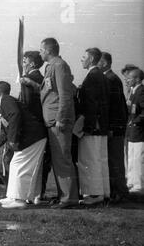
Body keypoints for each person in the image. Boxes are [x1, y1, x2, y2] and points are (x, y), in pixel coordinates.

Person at [40, 37, 79, 208]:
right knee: (58, 159)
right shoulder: (52, 66)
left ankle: (69, 198)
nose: (40, 53)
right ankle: (64, 195)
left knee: (63, 158)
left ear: (48, 50)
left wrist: (61, 118)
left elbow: (65, 95)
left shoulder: (59, 65)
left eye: (41, 50)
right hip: (52, 120)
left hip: (58, 120)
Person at [76, 47, 110, 205]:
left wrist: (87, 127)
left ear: (91, 59)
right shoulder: (101, 76)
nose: (81, 59)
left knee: (91, 160)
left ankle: (95, 194)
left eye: (83, 57)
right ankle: (103, 191)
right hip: (101, 125)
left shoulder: (92, 77)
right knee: (100, 159)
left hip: (93, 126)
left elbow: (91, 105)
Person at [18, 51, 49, 205]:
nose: (22, 64)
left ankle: (34, 194)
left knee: (34, 162)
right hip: (38, 124)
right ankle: (36, 194)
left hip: (34, 125)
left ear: (31, 64)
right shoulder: (35, 78)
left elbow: (28, 103)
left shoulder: (33, 78)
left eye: (24, 61)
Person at [98, 52, 129, 203]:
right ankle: (117, 191)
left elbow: (115, 107)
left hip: (114, 128)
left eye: (98, 61)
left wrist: (111, 127)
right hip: (115, 127)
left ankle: (119, 192)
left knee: (114, 160)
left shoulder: (110, 79)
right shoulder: (111, 78)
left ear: (104, 63)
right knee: (113, 160)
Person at [0, 81, 22, 208]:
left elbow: (15, 117)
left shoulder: (6, 101)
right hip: (12, 139)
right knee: (7, 163)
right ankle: (11, 194)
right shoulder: (5, 102)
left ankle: (15, 196)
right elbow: (8, 127)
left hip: (19, 140)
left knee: (9, 163)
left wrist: (12, 139)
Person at [125, 67, 144, 194]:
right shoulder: (133, 91)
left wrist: (135, 121)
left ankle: (138, 185)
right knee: (131, 157)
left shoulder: (141, 92)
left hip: (139, 131)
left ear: (137, 79)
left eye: (130, 78)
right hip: (132, 131)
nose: (127, 80)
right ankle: (132, 182)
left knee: (137, 158)